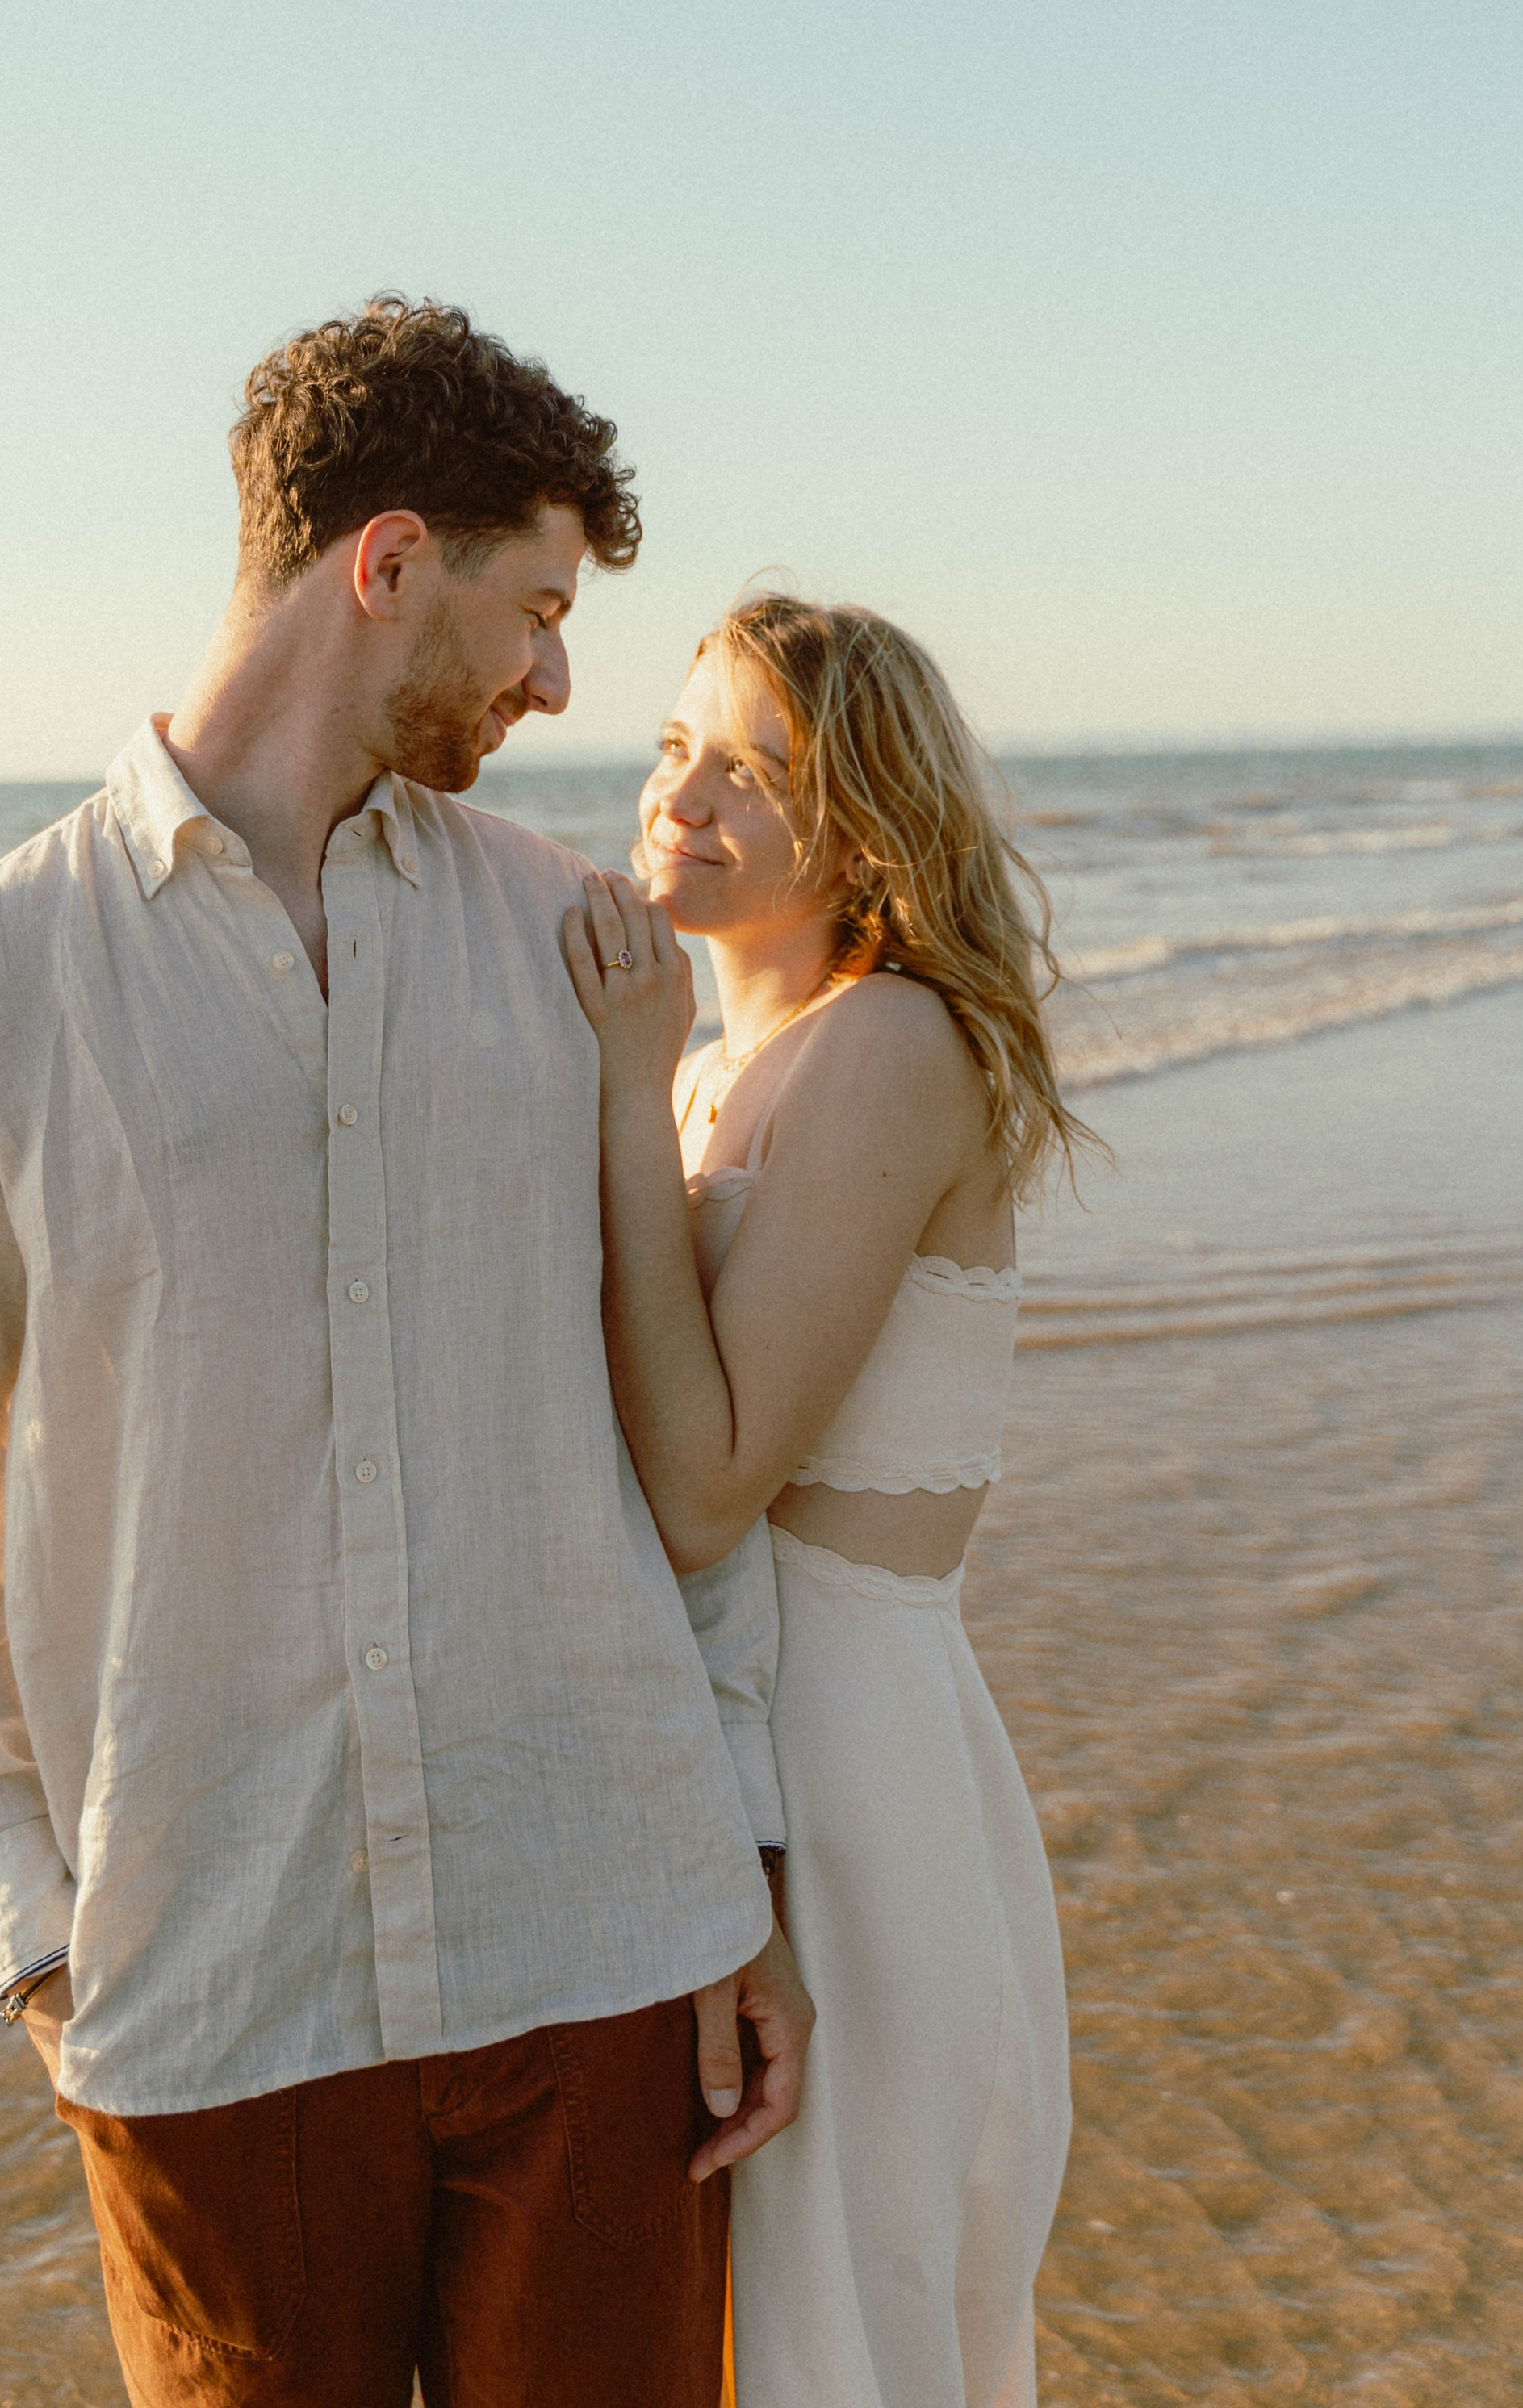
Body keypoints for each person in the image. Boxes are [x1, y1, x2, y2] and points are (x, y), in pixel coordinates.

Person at [0, 299, 813, 2408]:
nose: (560, 680)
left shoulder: (574, 938)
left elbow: (671, 1446)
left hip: (603, 1942)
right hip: (213, 1994)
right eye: (536, 611)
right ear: (385, 564)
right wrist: (26, 1923)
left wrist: (742, 1862)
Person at [563, 593, 1093, 2408]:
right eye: (671, 746)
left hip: (850, 1761)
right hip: (741, 1728)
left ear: (860, 829)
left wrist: (623, 1106)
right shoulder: (731, 1062)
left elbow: (707, 1490)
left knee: (835, 2326)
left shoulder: (884, 1049)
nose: (680, 796)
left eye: (752, 769)